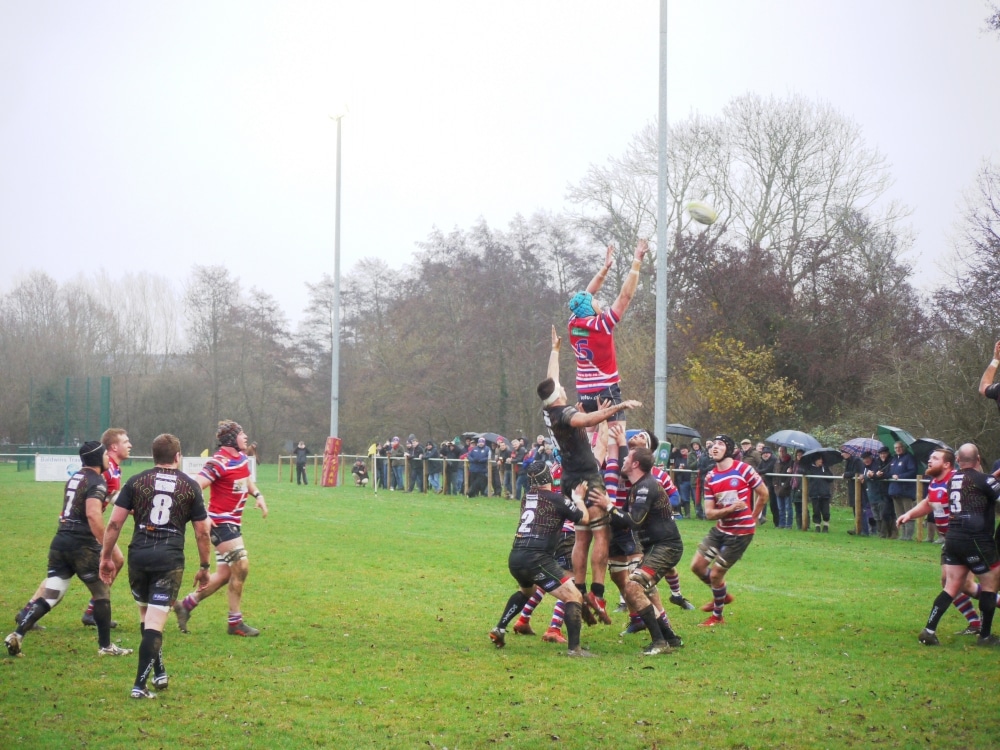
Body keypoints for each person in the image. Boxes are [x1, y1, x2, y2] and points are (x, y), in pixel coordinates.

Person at [539, 325, 641, 625]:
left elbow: (551, 381)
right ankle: (597, 591)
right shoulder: (565, 414)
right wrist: (618, 408)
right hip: (587, 476)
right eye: (560, 389)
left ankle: (581, 588)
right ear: (558, 396)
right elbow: (589, 418)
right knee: (601, 533)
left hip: (570, 479)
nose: (563, 387)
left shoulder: (548, 410)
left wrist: (555, 350)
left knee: (581, 537)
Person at [98, 433, 212, 698]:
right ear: (177, 457)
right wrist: (205, 565)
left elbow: (114, 523)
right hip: (168, 561)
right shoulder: (189, 485)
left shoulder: (136, 481)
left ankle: (159, 672)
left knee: (147, 618)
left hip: (139, 556)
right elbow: (202, 533)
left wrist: (105, 557)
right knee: (155, 623)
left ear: (153, 456)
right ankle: (139, 686)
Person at [5, 441, 132, 658]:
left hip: (60, 541)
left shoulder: (75, 477)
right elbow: (93, 515)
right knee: (101, 593)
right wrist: (106, 549)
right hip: (81, 545)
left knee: (52, 594)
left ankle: (17, 634)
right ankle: (106, 647)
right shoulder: (97, 483)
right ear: (98, 458)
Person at [172, 420, 268, 637]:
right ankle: (235, 623)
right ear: (232, 439)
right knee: (241, 566)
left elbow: (246, 480)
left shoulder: (241, 459)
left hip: (232, 524)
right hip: (220, 524)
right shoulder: (219, 462)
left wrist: (259, 496)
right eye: (242, 433)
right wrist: (203, 513)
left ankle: (186, 605)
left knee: (225, 574)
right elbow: (195, 485)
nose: (245, 437)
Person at [900, 444, 1000, 647]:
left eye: (934, 458)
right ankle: (985, 636)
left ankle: (929, 630)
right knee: (990, 582)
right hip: (975, 538)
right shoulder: (978, 480)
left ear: (954, 461)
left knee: (952, 585)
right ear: (978, 459)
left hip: (953, 539)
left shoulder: (951, 480)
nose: (930, 461)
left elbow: (976, 483)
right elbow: (984, 485)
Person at [489, 462, 592, 656]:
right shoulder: (557, 499)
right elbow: (583, 518)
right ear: (550, 479)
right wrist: (579, 499)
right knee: (574, 595)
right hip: (537, 558)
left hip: (516, 556)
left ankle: (500, 628)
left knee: (527, 591)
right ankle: (574, 649)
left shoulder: (526, 497)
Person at [602, 445, 685, 655]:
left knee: (632, 588)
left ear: (636, 464)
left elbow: (634, 521)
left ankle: (659, 642)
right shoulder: (636, 487)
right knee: (640, 589)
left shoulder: (646, 486)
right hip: (655, 547)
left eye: (627, 457)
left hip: (666, 547)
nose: (623, 460)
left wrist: (608, 506)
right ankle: (671, 638)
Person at [567, 239, 648, 431]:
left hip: (584, 393)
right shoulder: (601, 324)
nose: (598, 302)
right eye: (595, 302)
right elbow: (625, 297)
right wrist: (637, 261)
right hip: (605, 389)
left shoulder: (573, 322)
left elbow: (587, 294)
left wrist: (605, 268)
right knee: (616, 442)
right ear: (590, 308)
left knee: (592, 442)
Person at [690, 435, 768, 627]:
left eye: (720, 444)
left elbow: (763, 494)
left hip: (740, 534)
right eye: (713, 444)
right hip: (720, 529)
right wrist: (730, 510)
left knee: (716, 575)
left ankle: (717, 616)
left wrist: (753, 518)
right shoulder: (711, 477)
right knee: (697, 567)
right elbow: (709, 513)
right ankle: (722, 595)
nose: (715, 447)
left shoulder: (743, 469)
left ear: (730, 449)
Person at [888, 441, 918, 541]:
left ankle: (908, 535)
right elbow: (890, 471)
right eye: (896, 448)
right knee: (899, 514)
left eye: (899, 447)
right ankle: (902, 535)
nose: (897, 449)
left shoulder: (909, 458)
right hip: (895, 490)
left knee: (908, 513)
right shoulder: (893, 459)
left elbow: (913, 471)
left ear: (903, 448)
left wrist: (900, 476)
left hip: (906, 490)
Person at [808, 455, 834, 533]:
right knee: (816, 511)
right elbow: (806, 475)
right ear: (815, 460)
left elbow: (831, 479)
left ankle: (826, 525)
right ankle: (817, 526)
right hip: (814, 493)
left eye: (821, 460)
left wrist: (825, 474)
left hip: (824, 493)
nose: (821, 461)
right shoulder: (810, 469)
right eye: (819, 459)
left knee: (825, 511)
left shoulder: (825, 468)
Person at [773, 447, 793, 529]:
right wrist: (775, 485)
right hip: (778, 487)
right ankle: (781, 523)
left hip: (787, 487)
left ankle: (789, 524)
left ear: (786, 452)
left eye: (783, 451)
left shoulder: (791, 462)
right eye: (779, 451)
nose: (781, 453)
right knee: (780, 507)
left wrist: (785, 485)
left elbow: (791, 478)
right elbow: (774, 474)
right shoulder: (777, 462)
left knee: (788, 507)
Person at [757, 446, 777, 526]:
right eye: (764, 453)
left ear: (770, 454)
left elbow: (768, 470)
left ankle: (777, 523)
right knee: (763, 501)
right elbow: (758, 469)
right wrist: (760, 471)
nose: (765, 455)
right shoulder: (763, 461)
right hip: (766, 484)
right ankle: (761, 518)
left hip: (774, 485)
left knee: (774, 504)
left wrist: (760, 471)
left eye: (767, 453)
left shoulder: (774, 460)